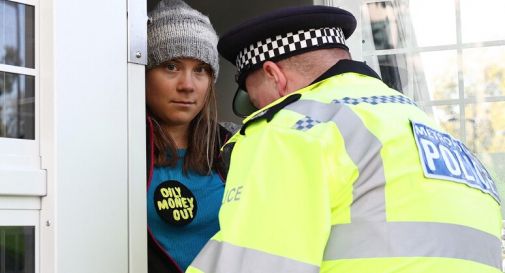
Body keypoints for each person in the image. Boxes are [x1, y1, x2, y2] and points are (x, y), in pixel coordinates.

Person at [186, 5, 503, 273]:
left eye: (254, 100)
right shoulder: (432, 134)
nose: (255, 110)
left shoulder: (292, 127)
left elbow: (254, 263)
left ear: (273, 75)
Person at [145, 1, 236, 272]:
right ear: (144, 73)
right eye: (171, 66)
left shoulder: (233, 146)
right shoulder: (121, 149)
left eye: (201, 70)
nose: (187, 85)